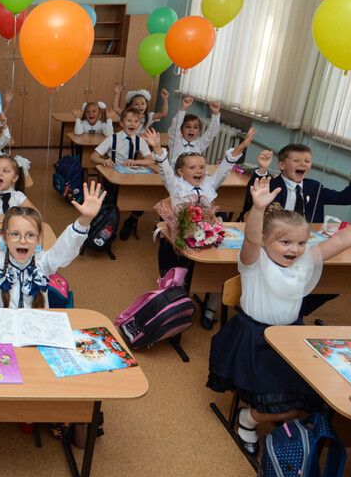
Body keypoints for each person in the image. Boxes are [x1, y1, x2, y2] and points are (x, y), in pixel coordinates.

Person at [207, 177, 351, 455]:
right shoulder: (254, 261)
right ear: (264, 241)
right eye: (285, 242)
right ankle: (248, 418)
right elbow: (251, 237)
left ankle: (274, 415)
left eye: (301, 242)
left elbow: (346, 237)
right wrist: (258, 209)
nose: (295, 249)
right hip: (255, 339)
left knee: (312, 402)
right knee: (285, 408)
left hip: (291, 336)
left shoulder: (304, 262)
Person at [241, 144, 351, 316]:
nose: (303, 164)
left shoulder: (314, 187)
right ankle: (282, 309)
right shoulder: (273, 185)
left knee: (333, 284)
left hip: (304, 247)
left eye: (307, 161)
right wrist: (262, 170)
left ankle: (294, 311)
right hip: (275, 247)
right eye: (297, 160)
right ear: (282, 165)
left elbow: (345, 198)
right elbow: (252, 199)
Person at [141, 126, 255, 328]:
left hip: (207, 238)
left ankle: (210, 309)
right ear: (180, 172)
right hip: (181, 240)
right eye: (192, 168)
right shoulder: (176, 185)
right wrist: (157, 148)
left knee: (218, 270)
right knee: (179, 271)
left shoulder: (210, 184)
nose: (199, 171)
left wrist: (243, 146)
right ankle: (176, 301)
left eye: (202, 167)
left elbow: (226, 166)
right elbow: (164, 169)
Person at [0, 182, 105, 308]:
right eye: (15, 234)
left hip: (37, 329)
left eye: (30, 235)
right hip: (5, 329)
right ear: (4, 237)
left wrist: (85, 220)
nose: (23, 241)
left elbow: (65, 248)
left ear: (38, 239)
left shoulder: (43, 262)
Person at [90, 108, 153, 240]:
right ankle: (109, 226)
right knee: (112, 200)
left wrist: (136, 162)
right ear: (121, 123)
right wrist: (104, 160)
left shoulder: (140, 140)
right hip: (113, 177)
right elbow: (93, 156)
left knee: (143, 197)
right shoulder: (113, 138)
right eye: (129, 120)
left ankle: (131, 220)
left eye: (136, 121)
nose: (132, 124)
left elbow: (150, 160)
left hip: (131, 177)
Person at [167, 96, 221, 162]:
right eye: (187, 127)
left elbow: (211, 133)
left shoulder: (200, 144)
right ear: (181, 130)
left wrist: (215, 113)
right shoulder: (176, 141)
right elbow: (175, 126)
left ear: (199, 131)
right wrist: (184, 108)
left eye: (195, 127)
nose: (191, 130)